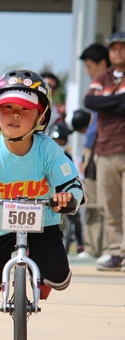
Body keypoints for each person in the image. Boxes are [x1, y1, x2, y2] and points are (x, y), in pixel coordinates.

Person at [0, 69, 85, 340]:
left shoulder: (47, 149)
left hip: (42, 223)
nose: (14, 115)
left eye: (24, 109)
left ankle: (41, 277)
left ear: (41, 116)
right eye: (7, 108)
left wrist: (67, 199)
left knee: (60, 278)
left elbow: (74, 185)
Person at [84, 31, 125, 271]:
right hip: (104, 150)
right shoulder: (103, 76)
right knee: (109, 205)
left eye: (122, 46)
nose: (117, 51)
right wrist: (117, 102)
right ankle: (114, 251)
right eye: (113, 47)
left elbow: (101, 103)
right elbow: (90, 102)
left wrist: (106, 102)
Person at [78, 43, 110, 262]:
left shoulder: (114, 85)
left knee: (110, 201)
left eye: (89, 67)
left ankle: (111, 249)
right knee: (90, 197)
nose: (88, 72)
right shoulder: (96, 89)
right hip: (92, 149)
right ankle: (91, 248)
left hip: (109, 149)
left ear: (102, 64)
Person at [49, 122, 85, 255]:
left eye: (61, 141)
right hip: (49, 192)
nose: (58, 144)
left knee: (75, 215)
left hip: (64, 192)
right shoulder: (45, 155)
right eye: (55, 141)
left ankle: (80, 243)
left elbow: (72, 176)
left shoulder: (67, 158)